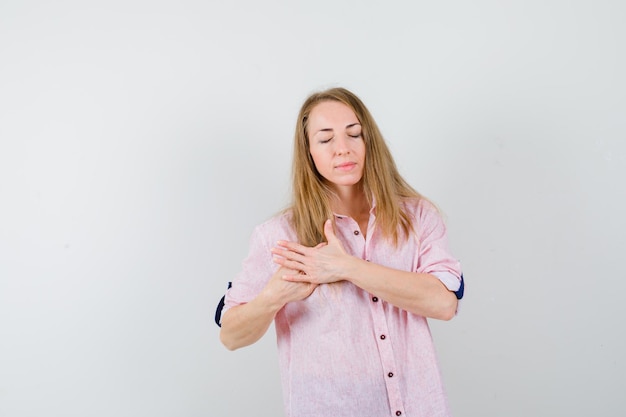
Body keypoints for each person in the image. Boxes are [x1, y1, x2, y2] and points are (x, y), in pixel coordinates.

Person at [219, 87, 464, 417]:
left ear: (369, 142)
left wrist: (347, 267)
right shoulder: (277, 237)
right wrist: (273, 296)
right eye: (325, 139)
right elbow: (231, 336)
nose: (343, 149)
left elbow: (444, 303)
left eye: (354, 134)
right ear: (308, 152)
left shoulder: (418, 218)